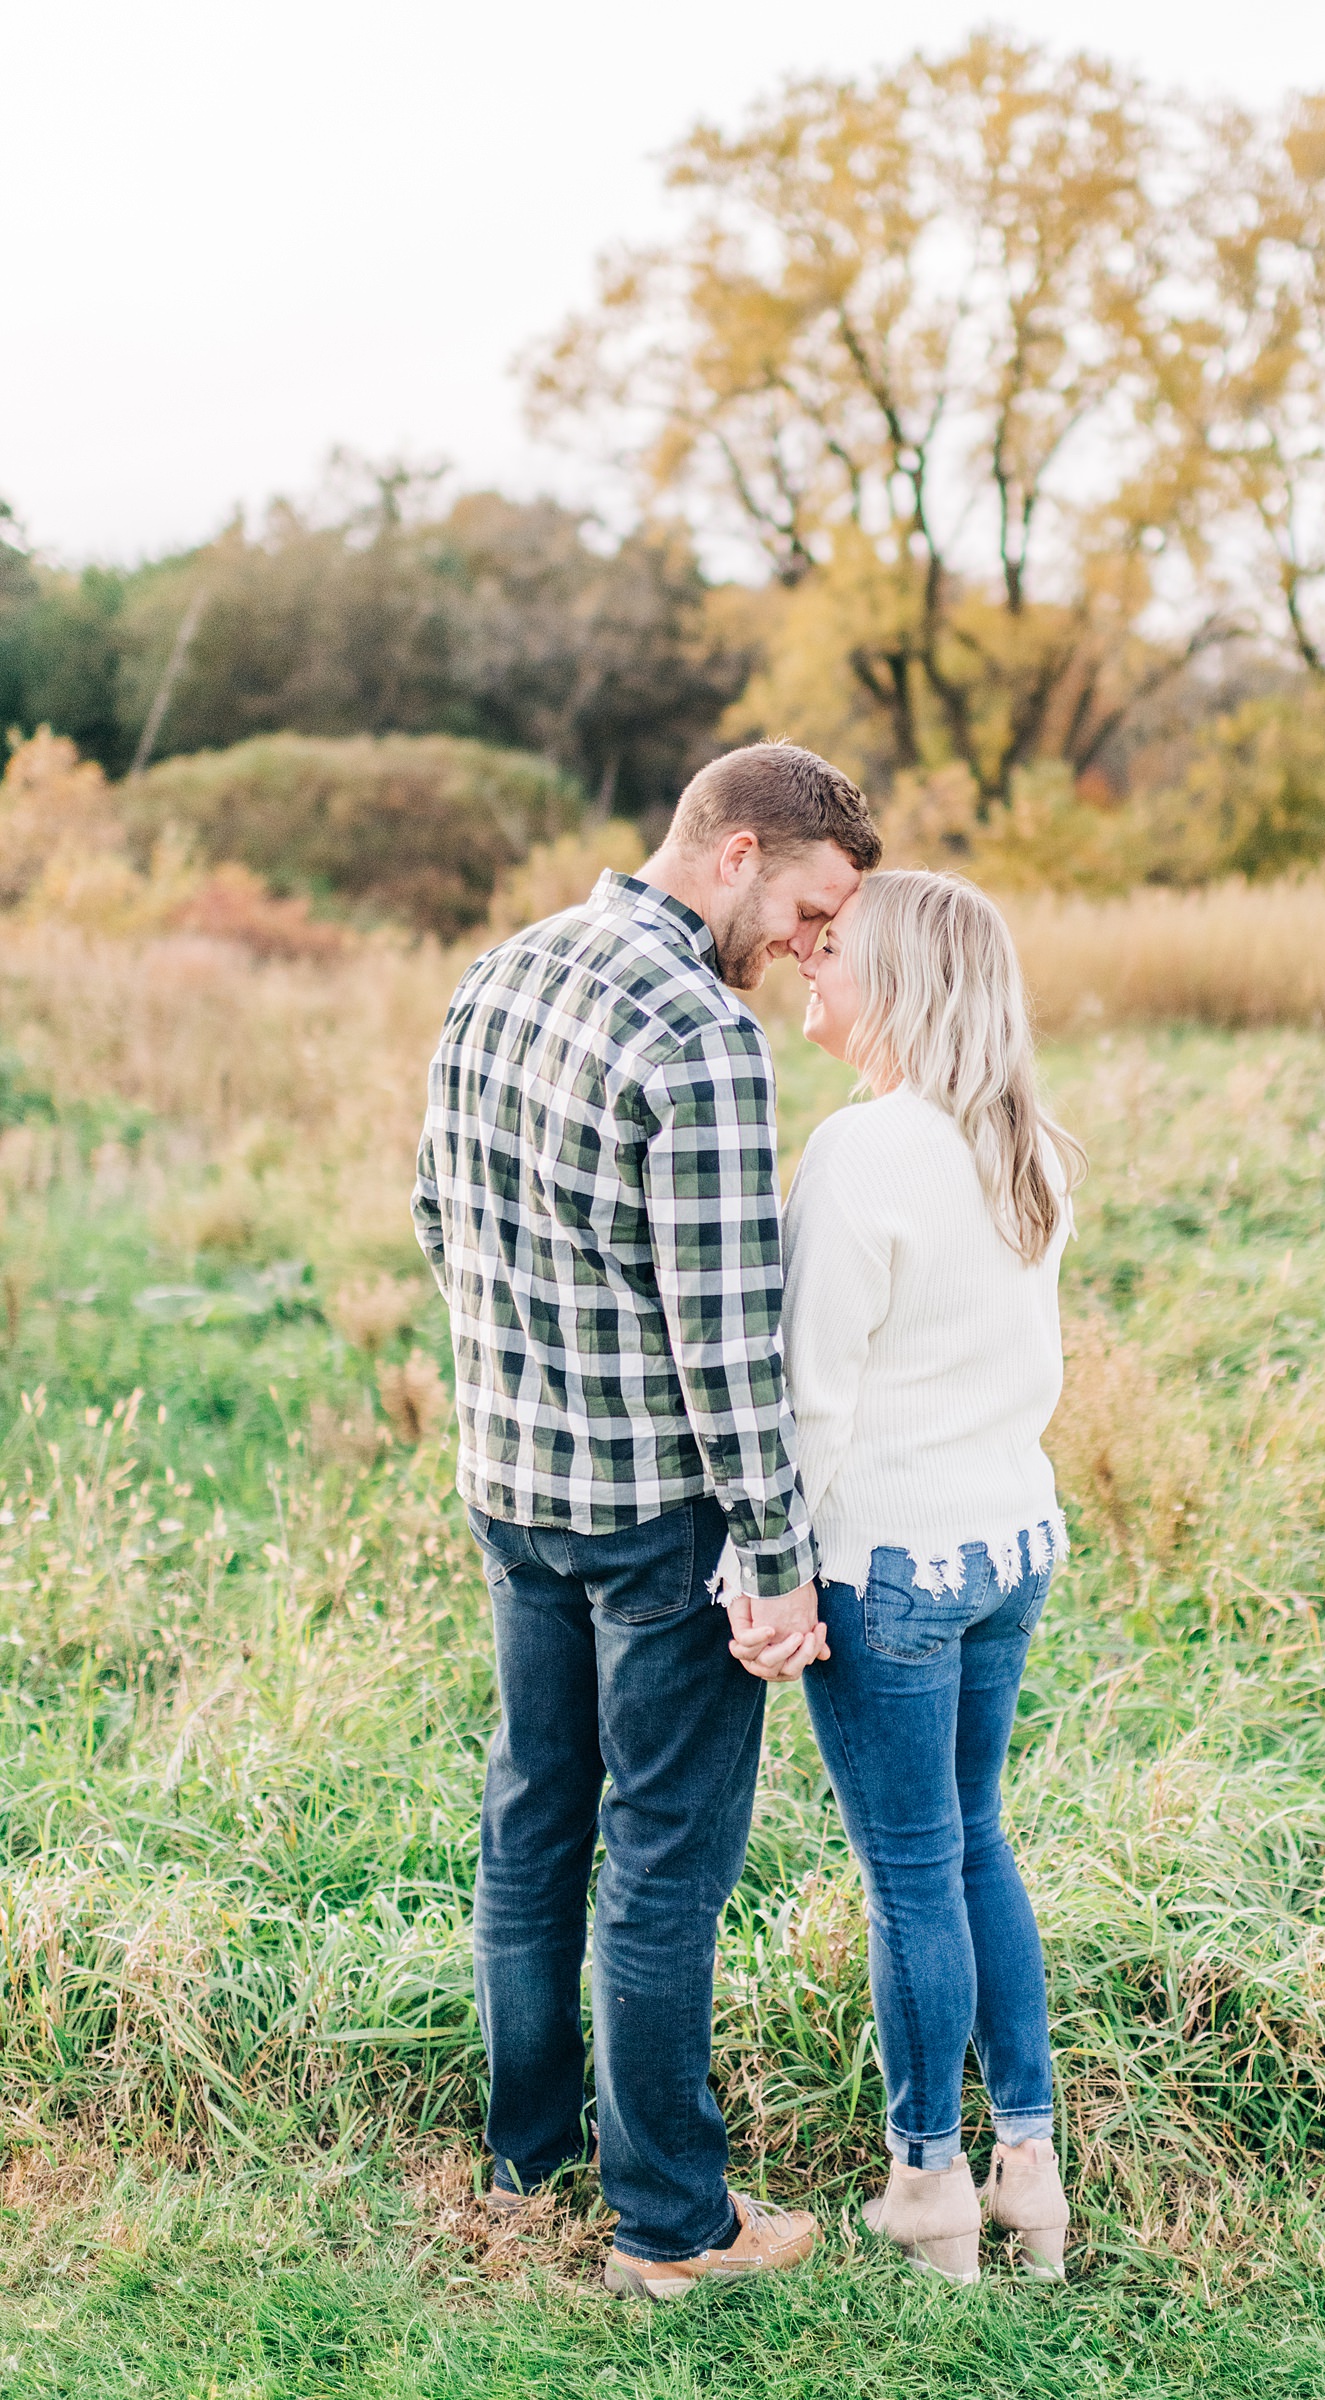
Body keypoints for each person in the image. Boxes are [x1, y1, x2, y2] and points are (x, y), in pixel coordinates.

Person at [412, 742, 880, 2303]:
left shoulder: (506, 967)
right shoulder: (700, 1033)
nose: (813, 947)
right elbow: (726, 1340)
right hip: (651, 1521)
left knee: (534, 1815)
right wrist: (775, 1560)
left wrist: (520, 1375)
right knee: (664, 1861)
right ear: (737, 851)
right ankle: (673, 2221)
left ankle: (527, 2154)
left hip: (510, 1489)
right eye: (812, 910)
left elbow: (437, 1212)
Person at [731, 869, 1085, 2283]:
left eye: (839, 953)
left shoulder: (864, 1152)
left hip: (890, 1565)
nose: (813, 964)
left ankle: (928, 2186)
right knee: (976, 1838)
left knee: (914, 1874)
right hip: (1009, 1543)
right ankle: (1033, 2174)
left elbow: (812, 1400)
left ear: (906, 985)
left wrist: (773, 1573)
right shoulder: (1029, 1143)